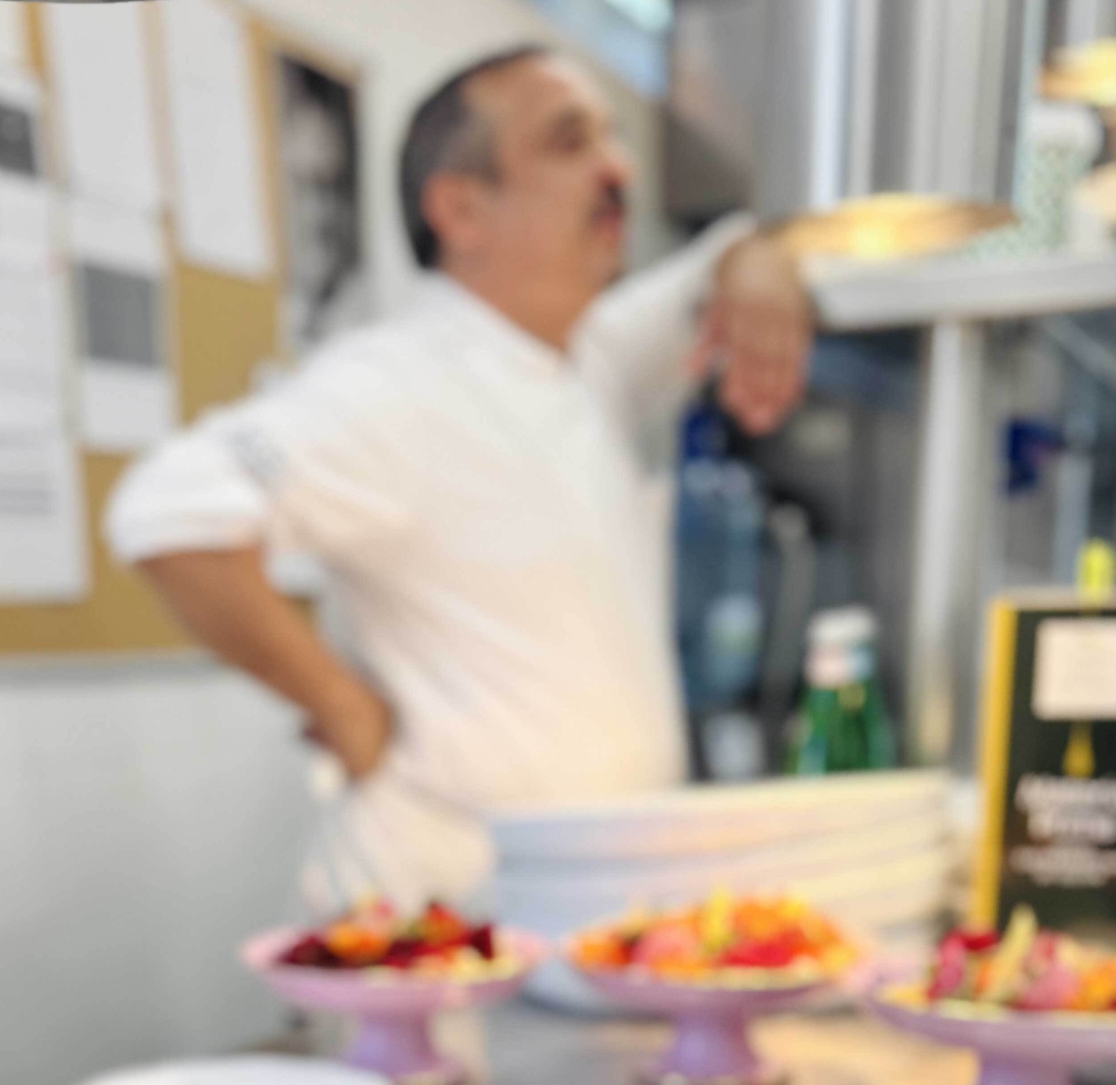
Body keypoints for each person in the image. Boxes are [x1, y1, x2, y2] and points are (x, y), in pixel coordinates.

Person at [106, 44, 814, 910]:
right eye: (570, 142)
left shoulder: (591, 359)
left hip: (590, 904)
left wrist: (758, 258)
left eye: (613, 139)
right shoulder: (395, 382)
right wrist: (346, 712)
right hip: (447, 918)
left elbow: (734, 251)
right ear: (461, 208)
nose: (617, 170)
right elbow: (167, 510)